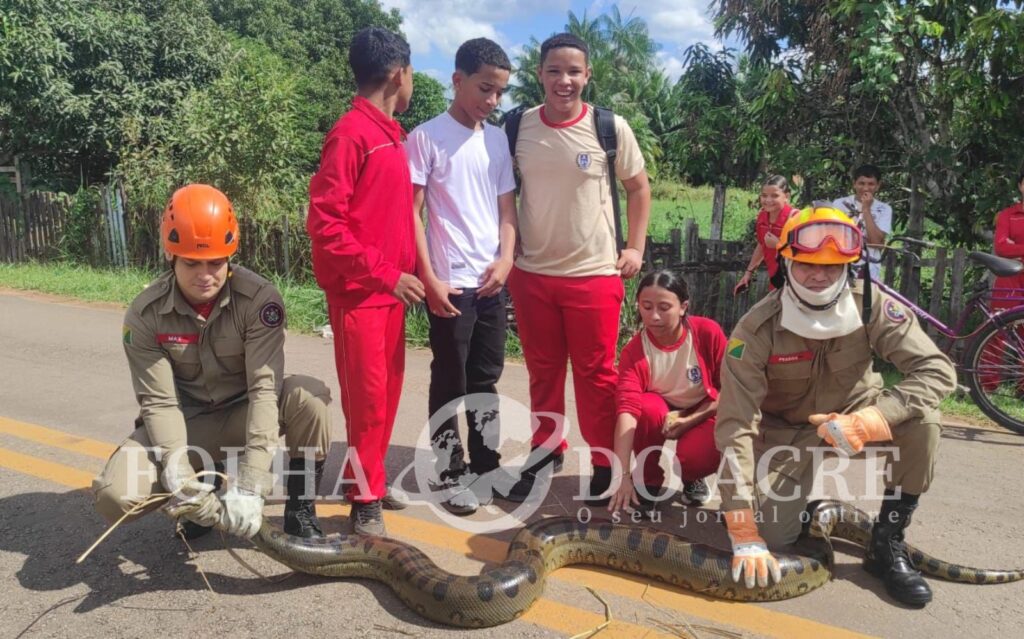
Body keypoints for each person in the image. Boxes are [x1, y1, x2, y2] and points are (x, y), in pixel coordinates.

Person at [714, 205, 956, 607]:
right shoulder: (755, 330)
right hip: (786, 433)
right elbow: (735, 426)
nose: (819, 275)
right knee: (772, 537)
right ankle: (811, 514)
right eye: (807, 264)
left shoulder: (870, 306)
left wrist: (874, 418)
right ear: (786, 263)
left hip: (856, 416)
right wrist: (741, 527)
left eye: (831, 266)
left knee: (924, 422)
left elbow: (936, 370)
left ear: (849, 266)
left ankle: (886, 543)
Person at [92, 184, 332, 541]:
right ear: (170, 255)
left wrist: (251, 485)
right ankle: (203, 496)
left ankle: (300, 512)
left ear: (230, 256)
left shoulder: (258, 301)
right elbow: (160, 403)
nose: (205, 275)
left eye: (216, 262)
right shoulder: (145, 315)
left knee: (309, 399)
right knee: (116, 497)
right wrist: (179, 474)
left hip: (243, 412)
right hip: (188, 423)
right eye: (191, 263)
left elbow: (264, 391)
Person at [505, 32, 652, 504]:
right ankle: (546, 450)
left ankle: (605, 462)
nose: (563, 80)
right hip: (532, 274)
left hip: (594, 275)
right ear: (539, 74)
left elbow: (638, 187)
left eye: (573, 71)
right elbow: (501, 192)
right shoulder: (517, 126)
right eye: (554, 70)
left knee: (596, 376)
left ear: (588, 75)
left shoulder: (609, 127)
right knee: (543, 371)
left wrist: (635, 248)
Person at [306, 27, 423, 536]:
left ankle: (370, 478)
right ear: (399, 74)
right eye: (412, 72)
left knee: (386, 397)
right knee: (367, 401)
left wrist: (408, 276)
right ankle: (364, 500)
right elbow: (325, 225)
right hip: (361, 294)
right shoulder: (351, 134)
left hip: (389, 293)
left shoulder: (391, 134)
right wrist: (386, 275)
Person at [406, 38, 517, 515]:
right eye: (484, 88)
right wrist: (429, 278)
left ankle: (487, 464)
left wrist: (506, 259)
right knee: (450, 381)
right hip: (450, 283)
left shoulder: (496, 139)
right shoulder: (426, 137)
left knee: (485, 380)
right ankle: (450, 471)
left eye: (500, 92)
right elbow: (411, 213)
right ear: (458, 80)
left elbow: (507, 210)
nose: (492, 100)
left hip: (491, 281)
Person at [608, 270, 725, 517]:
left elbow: (731, 390)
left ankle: (693, 476)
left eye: (664, 307)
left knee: (696, 457)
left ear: (683, 307)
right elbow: (627, 411)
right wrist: (621, 475)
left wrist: (689, 420)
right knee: (645, 408)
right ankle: (646, 482)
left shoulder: (707, 333)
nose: (654, 316)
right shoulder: (634, 352)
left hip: (704, 408)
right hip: (661, 409)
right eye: (646, 307)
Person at [984, 170, 1024, 392]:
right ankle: (987, 385)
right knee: (997, 330)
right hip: (1010, 278)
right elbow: (1001, 247)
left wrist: (1016, 249)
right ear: (1020, 186)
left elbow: (1010, 247)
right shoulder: (1008, 214)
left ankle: (1022, 388)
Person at [734, 175, 797, 295]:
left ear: (787, 196)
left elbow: (804, 254)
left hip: (795, 285)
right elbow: (762, 245)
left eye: (774, 196)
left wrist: (778, 245)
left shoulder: (795, 218)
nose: (768, 200)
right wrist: (748, 273)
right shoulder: (762, 217)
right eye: (764, 195)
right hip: (776, 282)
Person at [832, 164, 893, 281]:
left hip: (870, 268)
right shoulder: (839, 204)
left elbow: (876, 242)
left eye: (871, 184)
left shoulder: (884, 209)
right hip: (841, 264)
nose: (865, 188)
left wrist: (866, 209)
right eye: (861, 183)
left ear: (878, 186)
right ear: (854, 184)